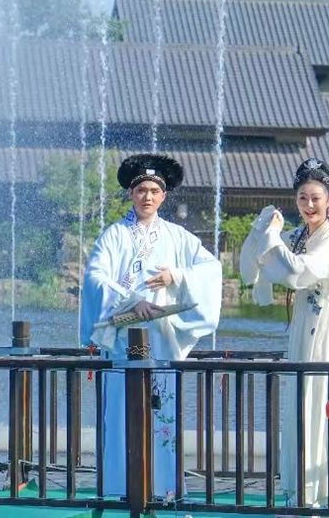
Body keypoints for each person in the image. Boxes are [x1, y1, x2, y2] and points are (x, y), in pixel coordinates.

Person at [238, 158, 329, 509]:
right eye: (302, 198)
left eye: (316, 198)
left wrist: (272, 239)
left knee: (327, 397)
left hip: (328, 331)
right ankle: (305, 493)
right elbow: (254, 263)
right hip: (303, 329)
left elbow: (298, 272)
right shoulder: (298, 236)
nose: (309, 205)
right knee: (303, 402)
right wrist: (261, 230)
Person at [79, 153, 222, 498]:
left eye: (154, 191)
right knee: (120, 410)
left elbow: (211, 268)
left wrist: (178, 276)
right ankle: (119, 489)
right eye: (141, 190)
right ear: (131, 193)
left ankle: (164, 488)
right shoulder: (114, 235)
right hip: (123, 341)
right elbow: (95, 277)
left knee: (162, 410)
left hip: (160, 340)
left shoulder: (178, 237)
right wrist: (131, 302)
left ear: (164, 196)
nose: (147, 197)